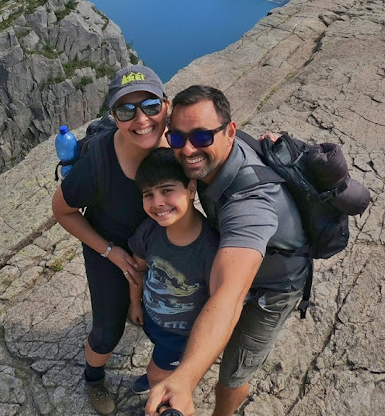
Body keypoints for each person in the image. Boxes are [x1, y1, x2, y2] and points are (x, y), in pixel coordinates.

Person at [146, 85, 310, 416]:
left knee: (232, 375)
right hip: (240, 255)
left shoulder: (251, 203)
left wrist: (185, 380)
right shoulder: (214, 151)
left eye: (201, 137)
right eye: (177, 138)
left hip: (274, 288)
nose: (188, 148)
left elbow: (228, 295)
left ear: (230, 131)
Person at [51, 64, 171, 415]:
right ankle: (93, 378)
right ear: (113, 117)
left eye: (150, 106)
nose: (141, 119)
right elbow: (63, 211)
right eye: (125, 110)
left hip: (160, 248)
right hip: (110, 248)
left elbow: (222, 144)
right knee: (108, 330)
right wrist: (110, 252)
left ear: (167, 105)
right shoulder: (98, 163)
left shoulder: (180, 145)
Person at [127, 148, 220, 402]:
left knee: (159, 375)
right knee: (160, 362)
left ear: (191, 189)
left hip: (182, 336)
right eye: (149, 194)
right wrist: (136, 304)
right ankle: (159, 371)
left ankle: (157, 383)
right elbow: (139, 269)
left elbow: (219, 304)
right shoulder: (149, 231)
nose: (157, 202)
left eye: (167, 190)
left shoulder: (210, 248)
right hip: (153, 318)